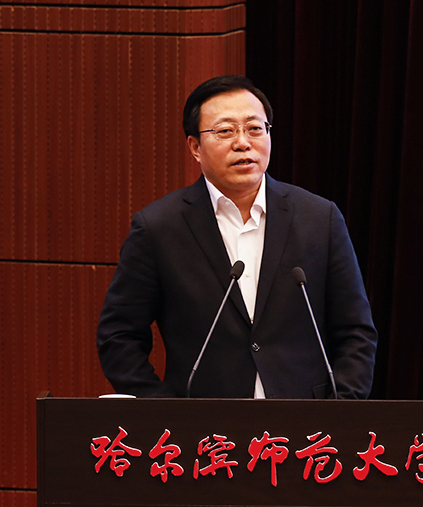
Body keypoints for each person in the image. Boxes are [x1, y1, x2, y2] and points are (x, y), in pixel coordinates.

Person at [97, 75, 377, 399]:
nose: (243, 142)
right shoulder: (159, 227)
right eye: (225, 131)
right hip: (203, 423)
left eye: (255, 128)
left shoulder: (319, 218)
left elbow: (356, 332)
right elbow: (118, 335)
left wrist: (338, 411)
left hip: (304, 422)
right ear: (195, 147)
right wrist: (163, 411)